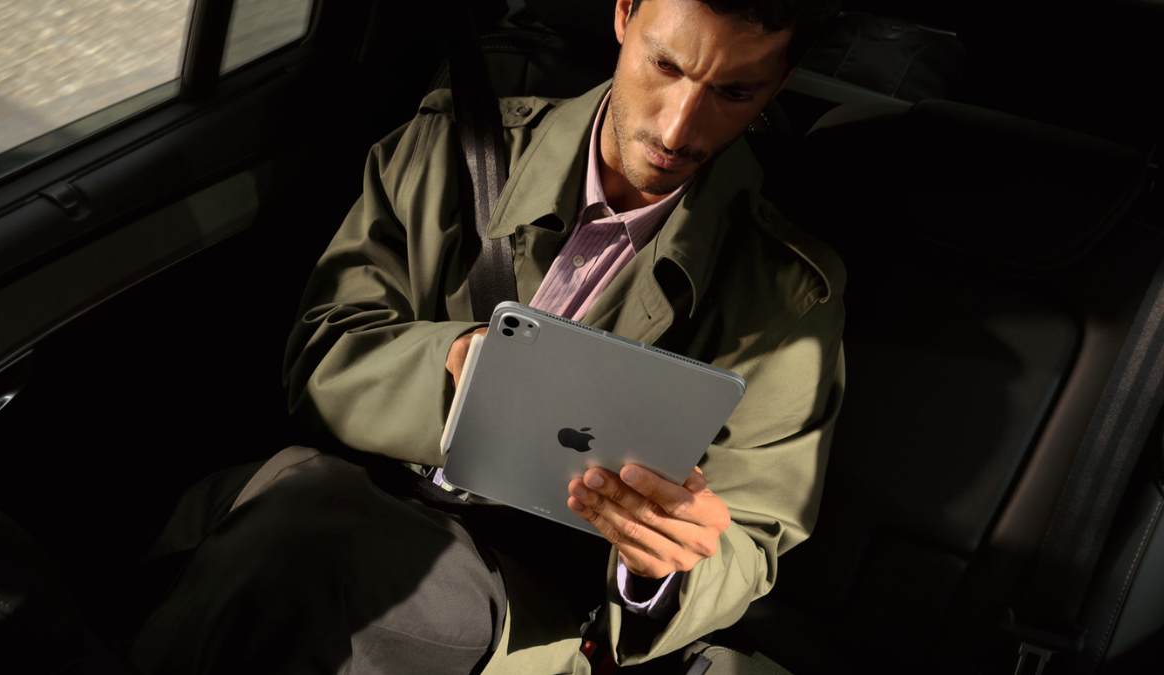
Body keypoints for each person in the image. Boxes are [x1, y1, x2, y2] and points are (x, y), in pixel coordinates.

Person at [129, 0, 845, 673]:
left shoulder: (786, 294)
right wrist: (452, 364)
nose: (678, 128)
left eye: (734, 93)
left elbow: (750, 536)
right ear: (625, 12)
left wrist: (660, 567)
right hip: (334, 492)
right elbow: (324, 350)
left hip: (512, 581)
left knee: (301, 546)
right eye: (665, 66)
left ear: (778, 83)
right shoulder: (450, 146)